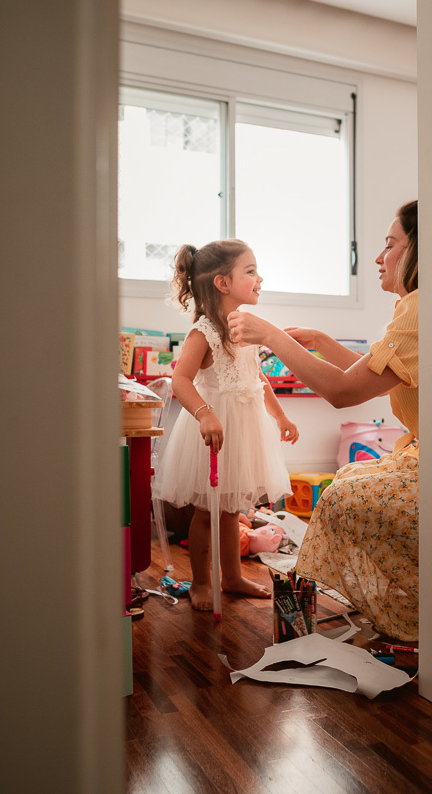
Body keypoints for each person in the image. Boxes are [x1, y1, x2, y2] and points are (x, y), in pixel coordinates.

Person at [228, 200, 419, 640]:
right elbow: (381, 375)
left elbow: (344, 391)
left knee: (338, 495)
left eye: (390, 245)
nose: (378, 257)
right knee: (347, 479)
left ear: (416, 253)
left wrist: (273, 336)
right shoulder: (412, 309)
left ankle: (391, 613)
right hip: (416, 449)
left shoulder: (417, 309)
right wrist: (319, 341)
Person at [153, 239, 299, 611]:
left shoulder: (247, 329)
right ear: (222, 283)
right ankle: (202, 581)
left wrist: (279, 415)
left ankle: (232, 577)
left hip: (245, 428)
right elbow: (180, 380)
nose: (259, 278)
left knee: (233, 507)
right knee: (207, 510)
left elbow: (258, 379)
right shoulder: (204, 332)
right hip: (213, 429)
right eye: (250, 271)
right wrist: (204, 413)